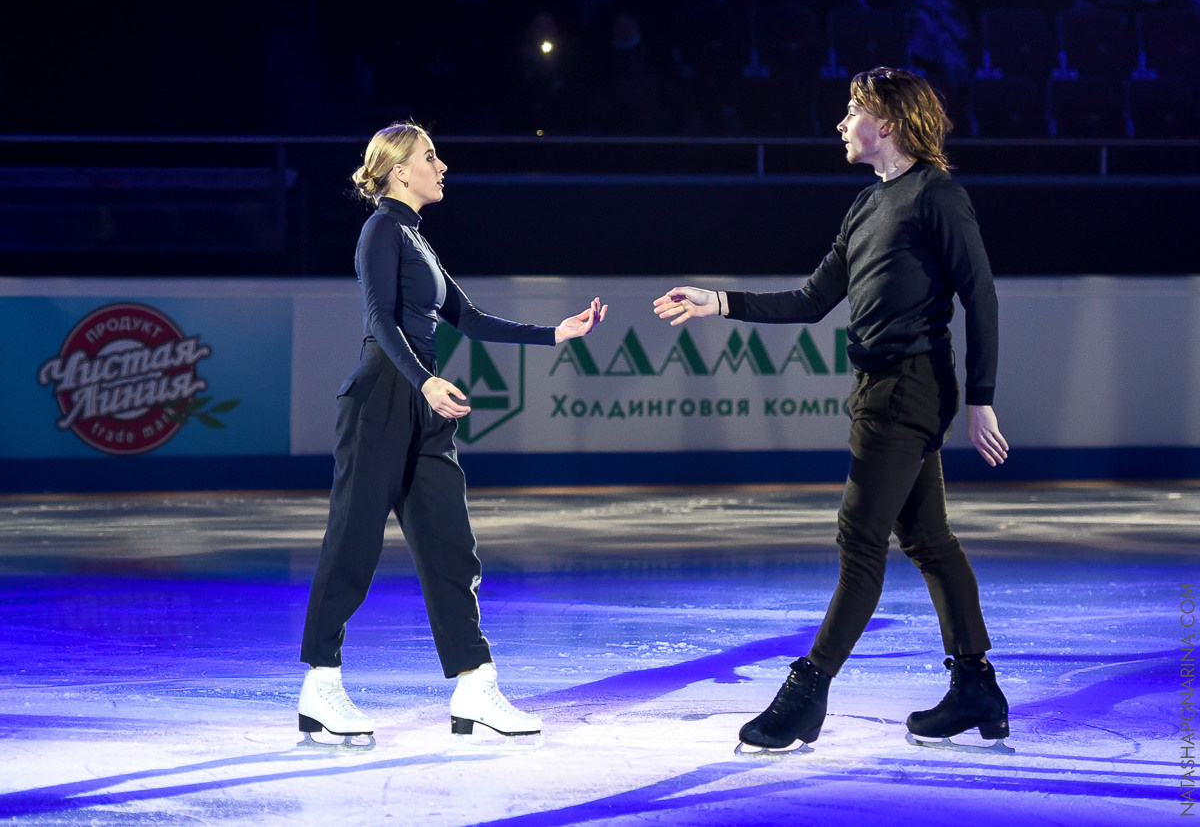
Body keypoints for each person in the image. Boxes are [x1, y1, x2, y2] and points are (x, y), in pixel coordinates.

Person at [653, 67, 1010, 753]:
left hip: (910, 387)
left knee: (858, 539)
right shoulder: (865, 207)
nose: (841, 124)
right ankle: (975, 686)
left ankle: (807, 692)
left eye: (854, 111)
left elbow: (981, 296)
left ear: (893, 122)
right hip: (877, 388)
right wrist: (717, 301)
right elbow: (812, 299)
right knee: (928, 540)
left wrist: (984, 400)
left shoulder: (938, 195)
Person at [299, 121, 607, 747]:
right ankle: (321, 684)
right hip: (384, 397)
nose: (442, 165)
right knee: (354, 542)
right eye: (430, 156)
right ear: (397, 170)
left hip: (422, 401)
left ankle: (474, 685)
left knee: (450, 545)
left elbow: (469, 317)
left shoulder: (416, 238)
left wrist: (557, 333)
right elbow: (380, 320)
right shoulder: (381, 229)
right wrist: (423, 382)